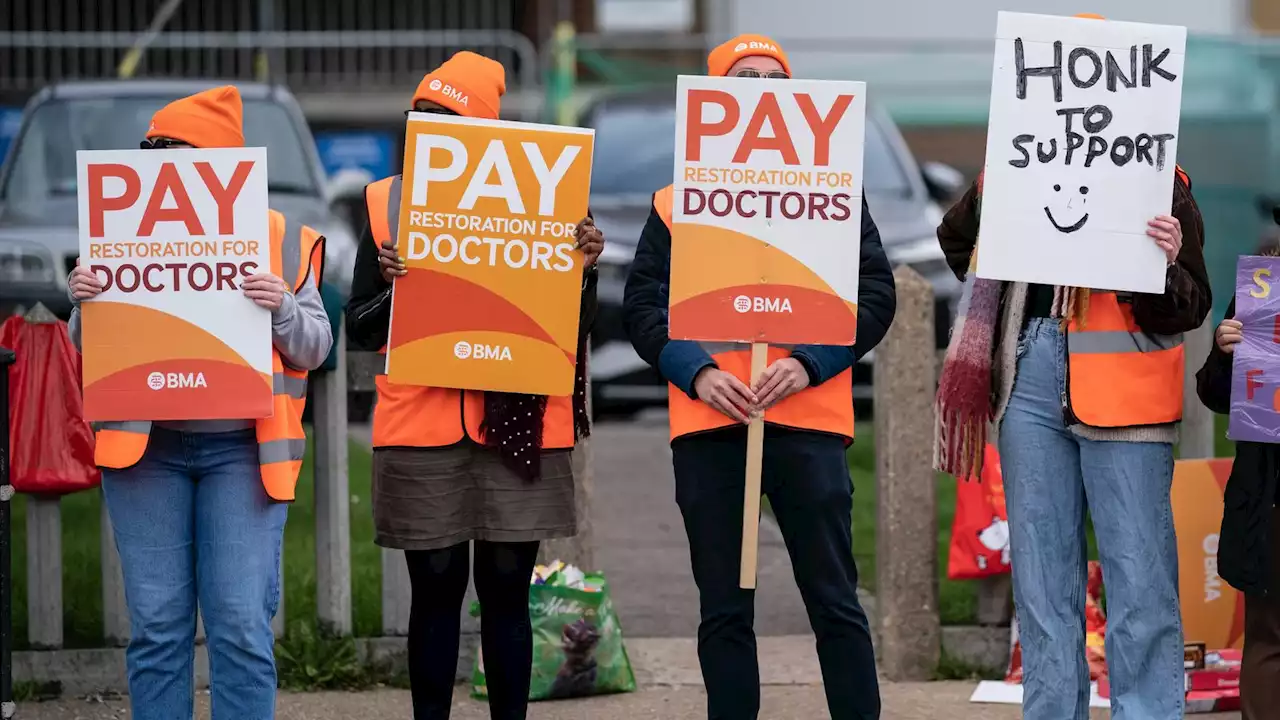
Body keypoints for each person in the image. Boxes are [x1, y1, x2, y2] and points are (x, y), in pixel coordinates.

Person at [933, 13, 1211, 711]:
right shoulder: (1016, 165)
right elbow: (956, 245)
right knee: (1041, 577)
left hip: (1128, 396)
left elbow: (1190, 307)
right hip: (1027, 382)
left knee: (1140, 579)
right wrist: (994, 187)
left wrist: (1166, 257)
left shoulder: (1163, 179)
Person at [622, 34, 896, 720]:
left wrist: (807, 364)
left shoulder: (832, 193)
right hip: (711, 426)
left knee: (835, 601)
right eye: (745, 76)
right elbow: (641, 307)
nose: (763, 88)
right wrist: (699, 373)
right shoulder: (674, 203)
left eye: (776, 77)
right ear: (714, 96)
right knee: (723, 609)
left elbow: (876, 297)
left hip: (810, 423)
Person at [343, 51, 604, 720]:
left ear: (484, 130)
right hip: (420, 427)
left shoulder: (548, 195)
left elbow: (575, 326)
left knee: (508, 589)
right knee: (434, 592)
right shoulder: (385, 201)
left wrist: (582, 268)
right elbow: (364, 331)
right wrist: (392, 282)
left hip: (516, 425)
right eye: (420, 113)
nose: (426, 125)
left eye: (444, 115)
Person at [66, 85, 332, 720]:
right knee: (158, 628)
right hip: (146, 449)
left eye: (171, 150)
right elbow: (90, 350)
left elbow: (316, 347)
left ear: (217, 163)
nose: (155, 162)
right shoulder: (120, 225)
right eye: (149, 149)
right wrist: (83, 305)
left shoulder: (284, 238)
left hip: (244, 451)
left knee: (240, 624)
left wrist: (282, 307)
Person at [1196, 230, 1280, 720]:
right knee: (1270, 634)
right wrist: (1227, 352)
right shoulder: (1265, 286)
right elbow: (1216, 394)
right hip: (1270, 495)